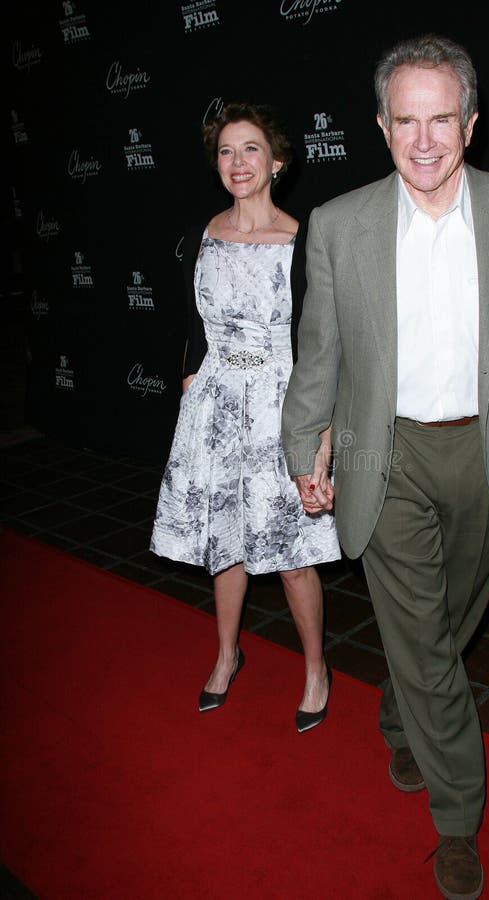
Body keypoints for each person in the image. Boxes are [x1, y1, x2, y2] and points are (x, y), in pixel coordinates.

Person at [281, 34, 489, 900]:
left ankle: (401, 706)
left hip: (487, 451)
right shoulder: (340, 225)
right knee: (428, 641)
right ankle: (457, 818)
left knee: (450, 619)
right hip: (385, 451)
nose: (426, 140)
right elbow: (319, 354)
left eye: (443, 118)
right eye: (407, 120)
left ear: (471, 124)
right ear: (381, 125)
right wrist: (306, 444)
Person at [151, 101, 340, 733]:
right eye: (227, 151)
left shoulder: (302, 240)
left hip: (283, 409)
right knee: (221, 540)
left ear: (277, 161)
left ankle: (316, 667)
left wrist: (321, 439)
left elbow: (321, 348)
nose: (238, 162)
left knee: (292, 553)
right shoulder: (202, 235)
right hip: (215, 407)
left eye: (251, 149)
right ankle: (228, 653)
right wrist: (192, 384)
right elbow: (193, 327)